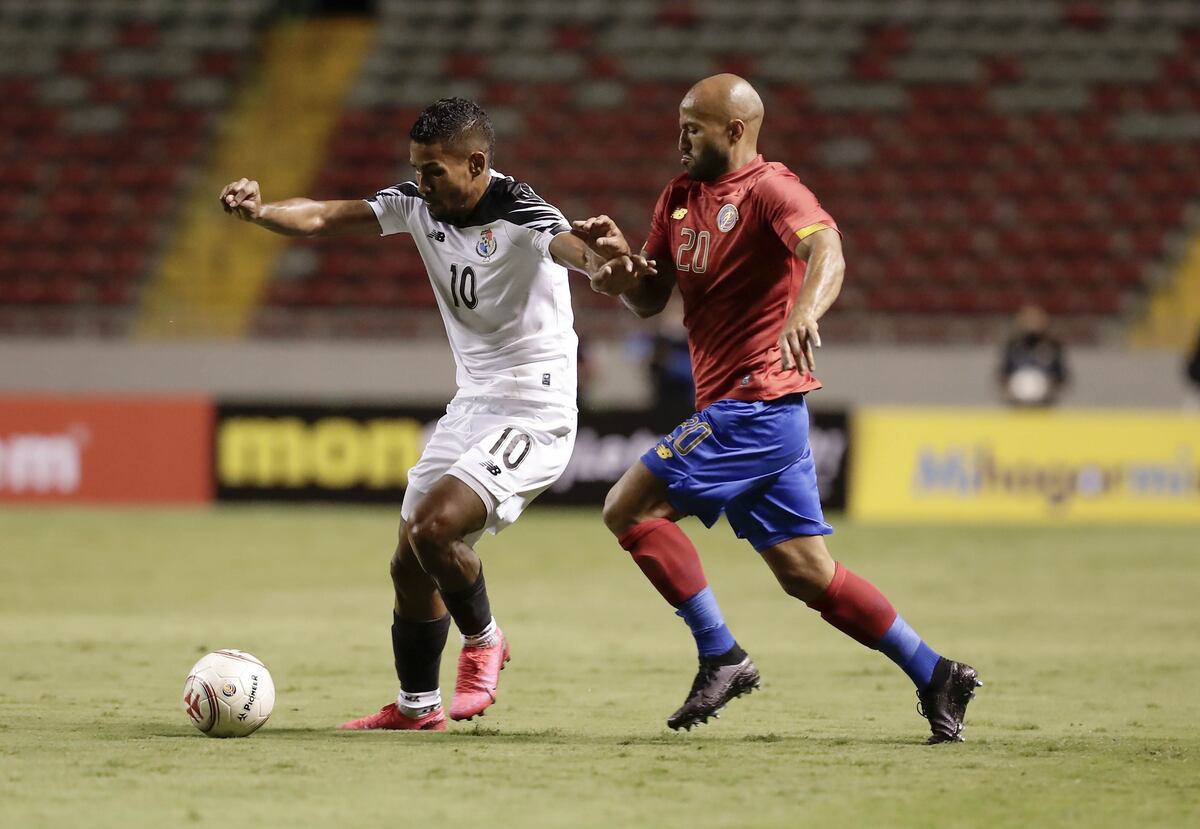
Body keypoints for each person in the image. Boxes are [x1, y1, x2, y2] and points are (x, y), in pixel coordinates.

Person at [573, 74, 981, 743]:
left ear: (735, 131)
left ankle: (722, 655)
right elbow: (649, 297)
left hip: (753, 403)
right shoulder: (678, 197)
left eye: (693, 127)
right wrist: (617, 268)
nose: (679, 139)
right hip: (762, 414)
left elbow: (827, 248)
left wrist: (804, 309)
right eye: (678, 125)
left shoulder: (770, 190)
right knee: (807, 574)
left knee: (628, 507)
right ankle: (936, 671)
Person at [221, 98, 647, 731]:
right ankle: (418, 708)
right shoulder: (418, 203)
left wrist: (608, 268)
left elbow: (578, 253)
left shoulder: (526, 213)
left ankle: (486, 641)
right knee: (408, 562)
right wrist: (261, 212)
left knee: (432, 528)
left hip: (536, 409)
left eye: (433, 172)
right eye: (416, 170)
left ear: (476, 163)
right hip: (473, 404)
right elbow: (320, 217)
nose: (420, 184)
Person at [998, 305, 1069, 407]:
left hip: (1045, 403)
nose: (1032, 323)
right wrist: (1010, 390)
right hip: (1017, 403)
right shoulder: (1012, 345)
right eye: (1028, 319)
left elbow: (1062, 375)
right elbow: (1003, 373)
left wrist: (1050, 388)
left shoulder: (1053, 345)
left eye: (1036, 319)